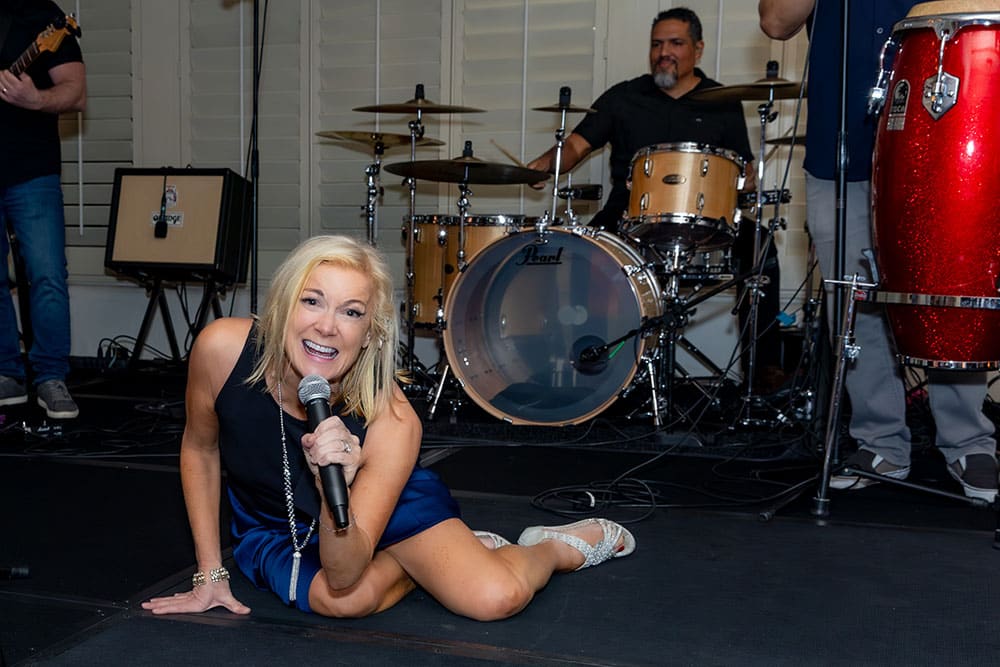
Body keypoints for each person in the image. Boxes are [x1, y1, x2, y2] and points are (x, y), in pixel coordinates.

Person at [142, 235, 635, 619]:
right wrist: (210, 573)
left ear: (370, 334)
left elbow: (344, 568)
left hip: (379, 506)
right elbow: (201, 449)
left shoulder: (393, 419)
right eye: (311, 301)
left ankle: (551, 548)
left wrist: (329, 485)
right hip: (275, 518)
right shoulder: (221, 350)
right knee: (344, 602)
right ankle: (422, 561)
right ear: (282, 305)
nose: (327, 326)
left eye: (351, 312)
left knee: (496, 597)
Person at [758, 1, 998, 500]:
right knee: (854, 300)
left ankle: (968, 443)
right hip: (839, 146)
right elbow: (776, 22)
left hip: (939, 137)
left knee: (946, 290)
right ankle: (879, 442)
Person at [526, 6, 785, 393]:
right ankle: (590, 368)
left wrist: (748, 178)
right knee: (584, 252)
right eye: (656, 44)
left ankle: (761, 373)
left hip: (702, 220)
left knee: (761, 246)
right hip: (628, 214)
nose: (664, 52)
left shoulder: (723, 100)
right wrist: (546, 165)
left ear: (698, 49)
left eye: (675, 43)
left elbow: (740, 168)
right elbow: (577, 145)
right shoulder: (623, 97)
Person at [0, 0, 85, 419]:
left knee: (47, 275)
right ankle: (6, 373)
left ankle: (51, 377)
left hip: (31, 171)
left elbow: (76, 92)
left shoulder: (42, 17)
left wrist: (33, 99)